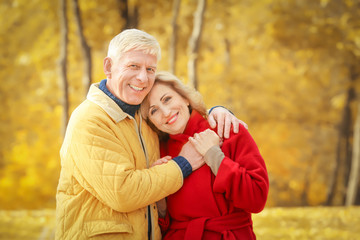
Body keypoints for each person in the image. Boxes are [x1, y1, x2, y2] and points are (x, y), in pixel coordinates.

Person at [55, 29, 244, 240]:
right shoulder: (89, 120)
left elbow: (177, 117)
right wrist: (185, 163)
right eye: (133, 66)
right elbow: (123, 192)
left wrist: (216, 112)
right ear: (108, 67)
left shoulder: (143, 117)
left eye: (150, 69)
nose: (143, 77)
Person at [141, 71, 269, 240]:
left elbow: (256, 198)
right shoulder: (159, 152)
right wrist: (161, 202)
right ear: (151, 121)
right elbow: (161, 226)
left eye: (167, 99)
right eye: (154, 110)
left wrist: (214, 156)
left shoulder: (227, 128)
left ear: (185, 98)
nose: (165, 112)